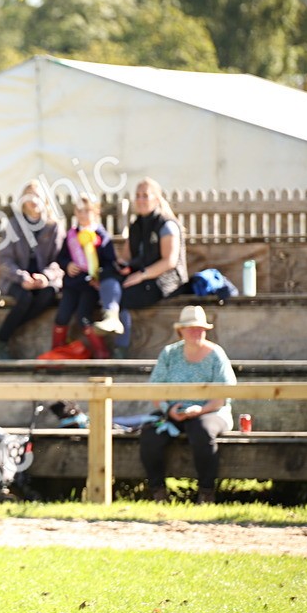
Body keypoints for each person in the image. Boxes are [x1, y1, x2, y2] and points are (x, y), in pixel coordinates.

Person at [140, 305, 236, 505]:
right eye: (191, 327)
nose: (196, 332)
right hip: (174, 413)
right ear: (180, 331)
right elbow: (155, 389)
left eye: (200, 328)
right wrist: (169, 410)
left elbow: (224, 395)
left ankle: (206, 493)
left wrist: (201, 410)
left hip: (212, 411)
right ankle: (158, 492)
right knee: (150, 433)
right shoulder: (169, 353)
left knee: (201, 430)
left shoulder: (216, 354)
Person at [93, 177, 189, 355]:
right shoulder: (136, 225)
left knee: (120, 296)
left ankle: (120, 350)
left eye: (145, 195)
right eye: (137, 195)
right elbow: (126, 258)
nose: (141, 200)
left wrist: (142, 274)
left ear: (156, 198)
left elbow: (170, 262)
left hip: (164, 281)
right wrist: (121, 267)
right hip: (141, 276)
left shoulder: (167, 225)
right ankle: (111, 317)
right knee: (106, 273)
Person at [0, 181, 63, 360]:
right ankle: (1, 344)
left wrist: (45, 276)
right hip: (16, 280)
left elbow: (59, 261)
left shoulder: (54, 227)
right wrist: (22, 278)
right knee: (25, 298)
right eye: (28, 195)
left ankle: (2, 332)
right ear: (22, 200)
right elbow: (4, 260)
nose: (33, 200)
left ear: (45, 200)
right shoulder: (13, 225)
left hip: (44, 280)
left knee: (49, 293)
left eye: (37, 195)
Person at [49, 193, 118, 359]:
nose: (83, 214)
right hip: (72, 285)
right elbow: (61, 257)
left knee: (83, 317)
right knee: (62, 316)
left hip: (90, 287)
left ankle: (101, 352)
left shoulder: (102, 237)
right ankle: (57, 351)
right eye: (79, 210)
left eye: (87, 210)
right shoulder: (71, 236)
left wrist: (100, 277)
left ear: (96, 212)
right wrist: (68, 265)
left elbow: (110, 262)